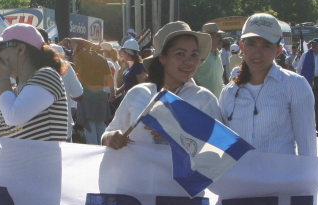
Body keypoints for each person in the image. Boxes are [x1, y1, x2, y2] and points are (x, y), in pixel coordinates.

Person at [103, 21, 221, 149]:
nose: (189, 61)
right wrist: (111, 138)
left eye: (194, 55)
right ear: (162, 57)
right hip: (138, 169)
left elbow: (221, 151)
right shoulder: (138, 93)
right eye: (180, 54)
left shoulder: (205, 99)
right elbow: (108, 133)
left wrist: (183, 137)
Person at [219, 14, 315, 155]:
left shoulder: (295, 85)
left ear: (278, 50)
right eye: (251, 44)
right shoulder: (229, 92)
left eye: (266, 45)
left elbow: (307, 147)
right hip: (238, 176)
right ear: (241, 46)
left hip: (281, 176)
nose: (257, 53)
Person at [0, 24, 69, 141]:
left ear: (20, 50)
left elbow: (13, 117)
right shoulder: (14, 92)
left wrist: (3, 79)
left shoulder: (47, 75)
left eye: (0, 48)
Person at [72, 39, 114, 144]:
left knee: (89, 125)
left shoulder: (81, 58)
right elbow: (109, 78)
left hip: (86, 95)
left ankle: (94, 151)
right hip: (100, 94)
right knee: (100, 124)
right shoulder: (102, 59)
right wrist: (113, 93)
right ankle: (103, 149)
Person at [298, 37, 318, 135]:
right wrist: (300, 80)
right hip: (308, 81)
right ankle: (308, 125)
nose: (313, 46)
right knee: (308, 103)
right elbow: (299, 67)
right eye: (312, 44)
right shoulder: (305, 55)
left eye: (315, 44)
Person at [193, 22, 225, 97]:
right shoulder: (198, 55)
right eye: (217, 36)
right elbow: (190, 79)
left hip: (218, 102)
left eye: (220, 35)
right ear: (208, 37)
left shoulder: (218, 54)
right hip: (203, 103)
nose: (221, 38)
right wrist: (203, 95)